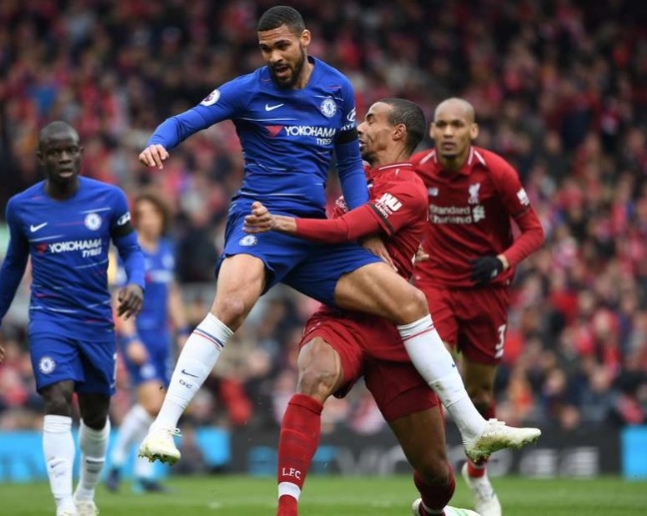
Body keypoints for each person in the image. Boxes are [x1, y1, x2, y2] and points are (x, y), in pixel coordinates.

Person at [137, 5, 540, 466]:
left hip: (314, 231)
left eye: (282, 46)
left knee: (410, 302)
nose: (274, 56)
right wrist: (159, 142)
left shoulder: (337, 88)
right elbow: (185, 120)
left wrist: (367, 230)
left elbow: (349, 164)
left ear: (304, 39)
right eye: (266, 49)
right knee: (230, 305)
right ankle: (163, 427)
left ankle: (472, 428)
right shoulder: (246, 90)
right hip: (261, 220)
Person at [245, 99, 479, 516]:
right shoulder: (359, 178)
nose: (361, 126)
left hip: (395, 327)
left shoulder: (408, 185)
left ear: (398, 133)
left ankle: (432, 511)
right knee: (313, 374)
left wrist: (283, 223)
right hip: (342, 315)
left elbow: (345, 228)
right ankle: (286, 509)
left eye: (371, 119)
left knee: (435, 474)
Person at [0, 121, 146, 516]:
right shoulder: (22, 207)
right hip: (49, 319)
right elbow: (12, 265)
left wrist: (136, 283)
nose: (64, 158)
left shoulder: (109, 199)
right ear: (41, 157)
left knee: (96, 414)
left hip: (96, 322)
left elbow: (131, 249)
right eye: (55, 152)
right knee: (56, 397)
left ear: (80, 153)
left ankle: (85, 494)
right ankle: (63, 505)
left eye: (70, 150)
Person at [410, 98, 545, 516]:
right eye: (441, 125)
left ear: (473, 131)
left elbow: (534, 230)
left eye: (457, 125)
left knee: (481, 392)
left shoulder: (496, 172)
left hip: (487, 289)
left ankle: (477, 473)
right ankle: (436, 480)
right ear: (432, 131)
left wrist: (502, 261)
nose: (448, 132)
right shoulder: (416, 169)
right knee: (436, 371)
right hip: (435, 284)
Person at [106, 192, 188, 494]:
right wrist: (129, 338)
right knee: (154, 404)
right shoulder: (130, 251)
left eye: (154, 213)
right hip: (138, 336)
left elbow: (172, 294)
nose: (150, 220)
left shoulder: (166, 249)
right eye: (144, 215)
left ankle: (142, 474)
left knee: (156, 407)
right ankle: (116, 463)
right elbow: (121, 297)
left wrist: (182, 331)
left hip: (161, 339)